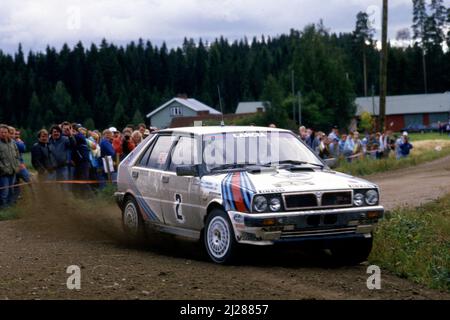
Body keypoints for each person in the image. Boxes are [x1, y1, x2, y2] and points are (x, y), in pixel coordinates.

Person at [0, 124, 20, 209]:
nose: (3, 134)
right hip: (3, 173)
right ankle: (4, 208)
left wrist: (17, 165)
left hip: (13, 171)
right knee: (5, 191)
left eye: (5, 132)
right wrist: (4, 168)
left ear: (8, 133)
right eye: (1, 132)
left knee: (11, 190)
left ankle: (10, 207)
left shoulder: (13, 142)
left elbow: (17, 155)